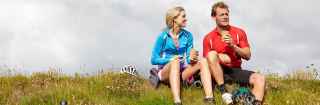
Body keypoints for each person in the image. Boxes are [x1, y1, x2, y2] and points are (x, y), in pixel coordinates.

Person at [202, 2, 266, 105]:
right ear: (214, 17)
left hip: (235, 70)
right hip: (218, 71)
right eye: (221, 15)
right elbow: (206, 62)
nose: (225, 17)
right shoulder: (208, 38)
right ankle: (224, 92)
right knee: (211, 55)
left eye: (226, 14)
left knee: (260, 78)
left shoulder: (238, 32)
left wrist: (233, 46)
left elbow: (248, 55)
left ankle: (253, 103)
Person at [149, 6, 201, 105]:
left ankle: (209, 97)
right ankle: (177, 101)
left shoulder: (188, 36)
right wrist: (170, 60)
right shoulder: (163, 36)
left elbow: (189, 61)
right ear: (174, 19)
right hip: (165, 71)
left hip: (181, 71)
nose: (186, 19)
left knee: (202, 62)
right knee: (175, 62)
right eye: (183, 16)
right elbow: (153, 59)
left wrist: (192, 58)